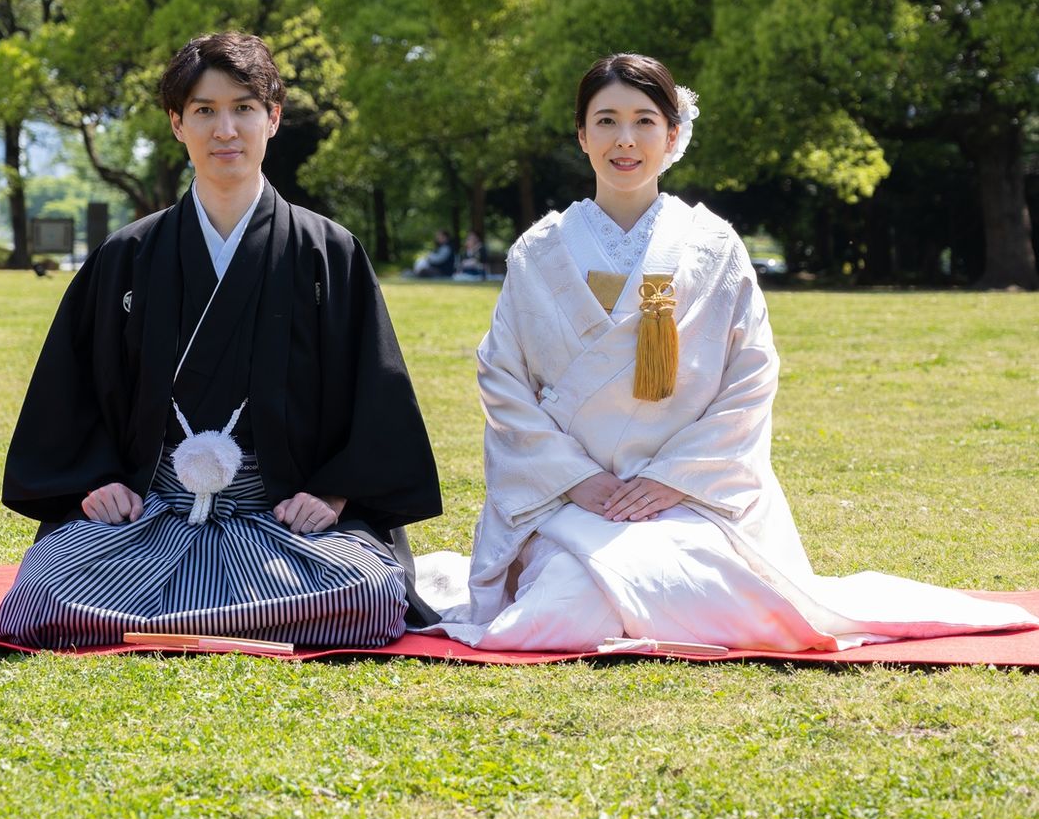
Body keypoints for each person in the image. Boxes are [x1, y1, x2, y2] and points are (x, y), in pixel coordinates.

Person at [425, 54, 1037, 652]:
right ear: (582, 135)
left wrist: (670, 479)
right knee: (563, 606)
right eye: (606, 120)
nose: (625, 139)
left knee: (673, 588)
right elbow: (502, 378)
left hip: (686, 499)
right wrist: (577, 479)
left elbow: (751, 376)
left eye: (644, 120)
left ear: (672, 135)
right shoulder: (538, 252)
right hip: (568, 501)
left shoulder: (713, 247)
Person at [0, 32, 442, 650]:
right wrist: (97, 480)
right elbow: (70, 394)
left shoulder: (327, 253)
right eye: (204, 110)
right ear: (177, 124)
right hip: (153, 509)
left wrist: (333, 493)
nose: (225, 129)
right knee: (44, 591)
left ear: (273, 118)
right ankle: (253, 616)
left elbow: (376, 397)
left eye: (243, 108)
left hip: (282, 518)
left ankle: (153, 617)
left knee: (366, 591)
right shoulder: (127, 256)